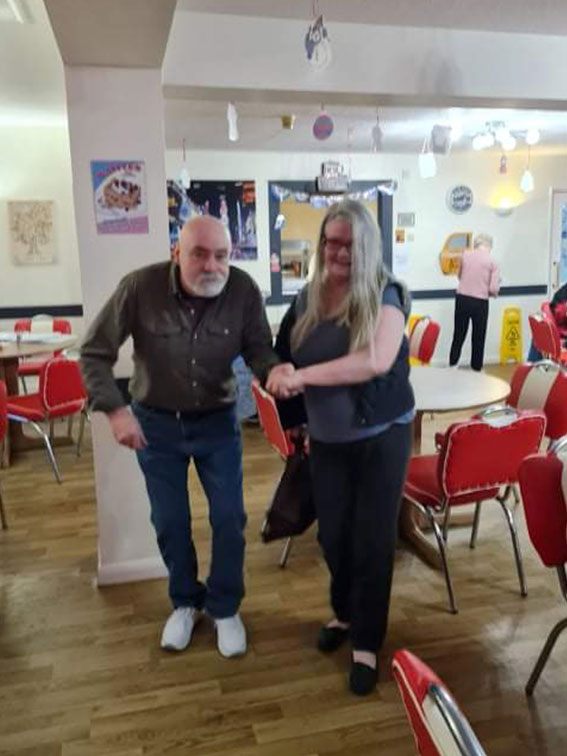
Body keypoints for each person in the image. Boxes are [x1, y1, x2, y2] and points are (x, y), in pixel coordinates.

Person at [80, 215, 287, 659]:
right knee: (170, 521)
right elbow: (94, 352)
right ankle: (186, 602)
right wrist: (115, 410)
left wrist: (274, 371)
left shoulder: (244, 290)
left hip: (217, 423)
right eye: (199, 254)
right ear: (177, 252)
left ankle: (225, 607)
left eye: (222, 256)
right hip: (156, 425)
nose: (212, 265)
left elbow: (259, 350)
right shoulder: (139, 288)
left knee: (229, 518)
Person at [268, 200, 414, 695]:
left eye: (350, 244)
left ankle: (367, 642)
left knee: (372, 541)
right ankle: (345, 614)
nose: (339, 252)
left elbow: (375, 360)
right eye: (331, 242)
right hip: (327, 440)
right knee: (332, 536)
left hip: (380, 438)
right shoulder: (308, 296)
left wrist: (302, 377)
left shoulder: (387, 294)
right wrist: (289, 405)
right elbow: (283, 353)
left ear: (368, 246)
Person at [449, 233, 501, 371]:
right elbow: (493, 288)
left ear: (476, 244)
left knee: (458, 334)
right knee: (478, 337)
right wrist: (494, 293)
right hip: (480, 302)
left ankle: (453, 365)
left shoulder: (465, 255)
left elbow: (459, 276)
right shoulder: (492, 262)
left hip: (462, 299)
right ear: (489, 246)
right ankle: (476, 369)